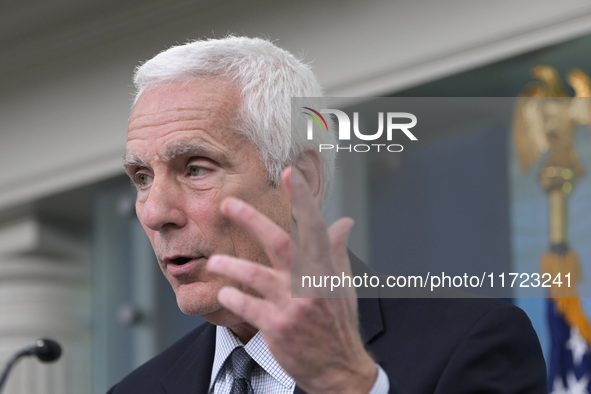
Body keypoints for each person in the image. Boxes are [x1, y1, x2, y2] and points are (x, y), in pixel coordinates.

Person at [108, 36, 547, 393]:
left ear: (301, 181)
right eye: (142, 177)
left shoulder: (469, 342)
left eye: (196, 168)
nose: (155, 212)